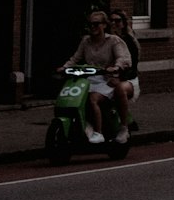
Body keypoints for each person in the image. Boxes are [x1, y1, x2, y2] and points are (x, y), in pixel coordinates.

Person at [58, 11, 131, 144]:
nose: (92, 27)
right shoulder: (86, 41)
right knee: (77, 98)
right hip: (88, 80)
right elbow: (75, 58)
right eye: (90, 24)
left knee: (92, 99)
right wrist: (64, 67)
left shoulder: (113, 41)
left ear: (104, 25)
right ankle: (85, 125)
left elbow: (122, 58)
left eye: (96, 24)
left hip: (106, 80)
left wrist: (116, 67)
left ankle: (98, 133)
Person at [110, 9, 139, 107]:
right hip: (107, 77)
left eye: (117, 21)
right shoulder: (105, 40)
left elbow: (132, 66)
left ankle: (124, 121)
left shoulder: (128, 41)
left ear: (123, 23)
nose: (113, 23)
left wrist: (120, 78)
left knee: (120, 89)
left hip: (127, 79)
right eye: (111, 20)